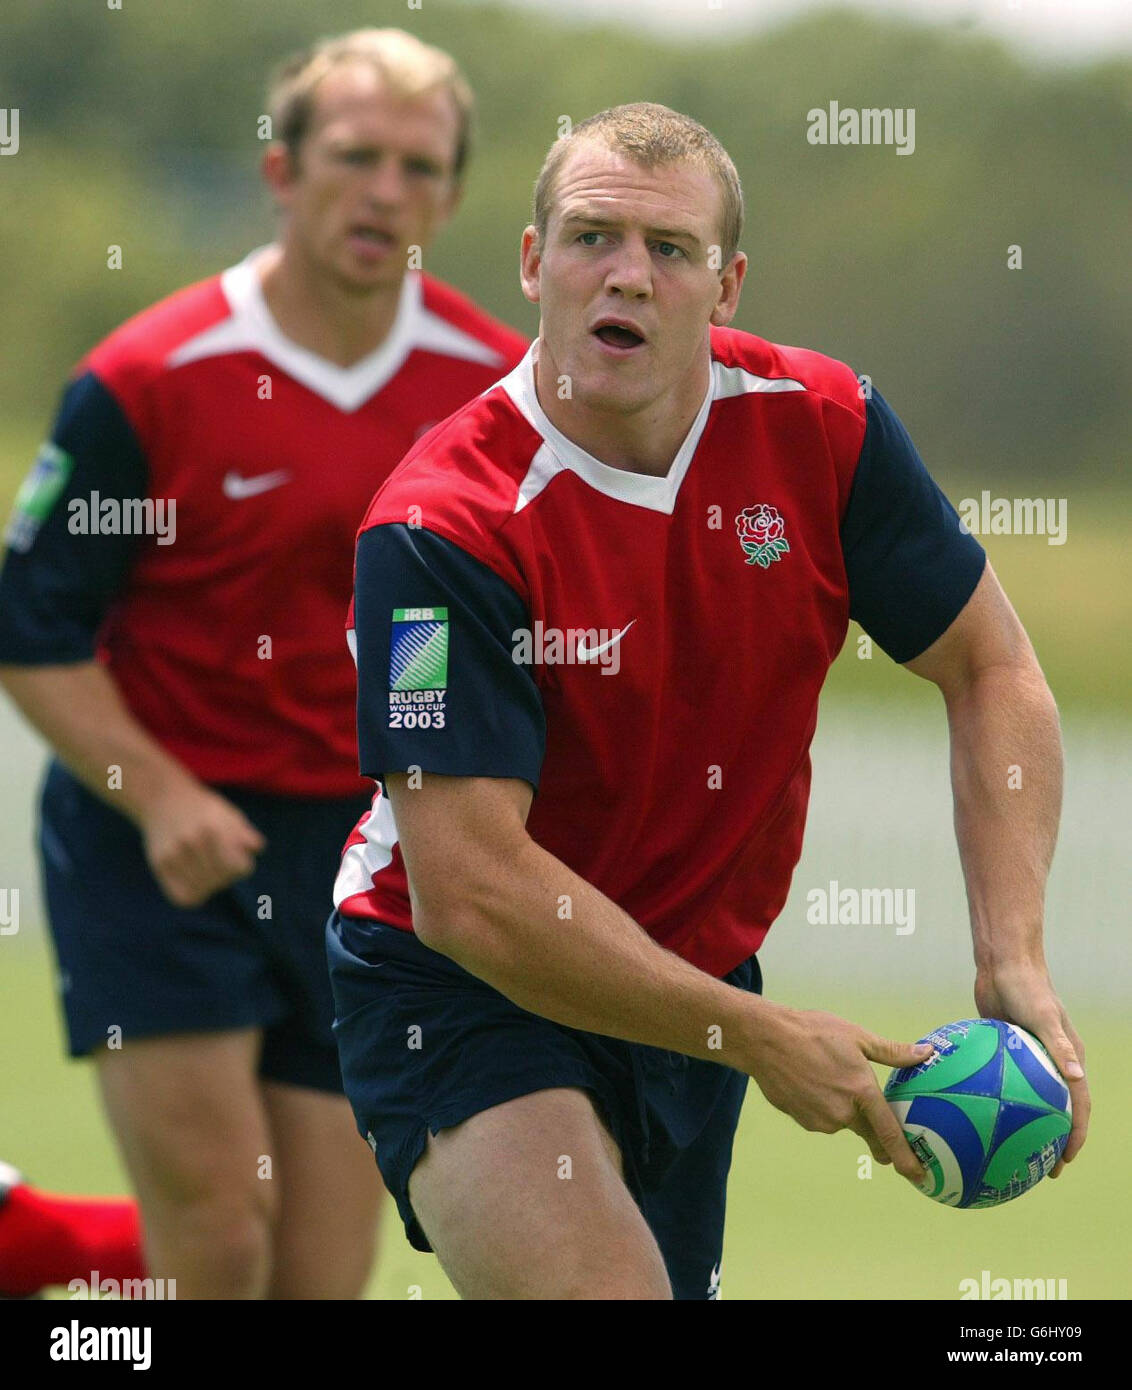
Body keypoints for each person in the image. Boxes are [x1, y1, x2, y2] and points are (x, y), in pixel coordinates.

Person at [324, 102, 1091, 1301]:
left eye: (669, 249)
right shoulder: (437, 530)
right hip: (458, 984)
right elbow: (469, 893)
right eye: (591, 238)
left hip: (692, 986)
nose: (625, 273)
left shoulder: (821, 428)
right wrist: (762, 1039)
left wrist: (1014, 956)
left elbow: (991, 668)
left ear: (725, 284)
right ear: (534, 263)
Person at [0, 28, 526, 1299]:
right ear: (281, 173)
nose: (385, 190)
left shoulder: (497, 395)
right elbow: (28, 626)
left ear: (452, 196)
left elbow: (469, 635)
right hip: (157, 849)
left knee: (316, 1269)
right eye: (354, 156)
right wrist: (160, 794)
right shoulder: (145, 377)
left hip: (360, 865)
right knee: (218, 1232)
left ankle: (47, 1262)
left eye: (418, 166)